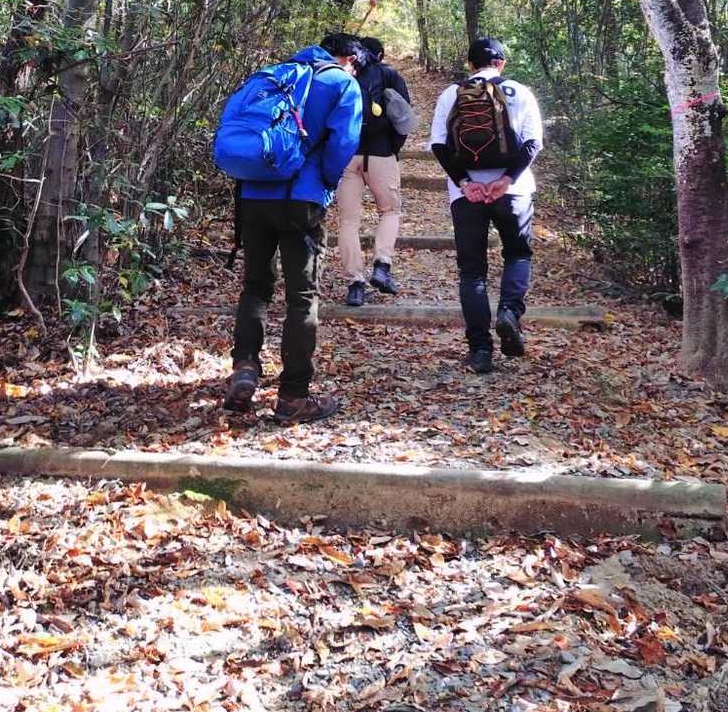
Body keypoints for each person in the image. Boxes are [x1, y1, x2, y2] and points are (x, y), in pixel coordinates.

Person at [223, 33, 363, 422]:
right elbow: (344, 143)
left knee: (255, 286)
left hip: (252, 195)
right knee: (302, 296)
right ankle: (293, 397)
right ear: (348, 59)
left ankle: (245, 368)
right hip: (302, 199)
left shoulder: (272, 75)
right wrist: (326, 183)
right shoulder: (340, 82)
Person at [429, 37, 543, 374]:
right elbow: (533, 143)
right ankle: (509, 312)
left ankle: (480, 350)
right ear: (501, 63)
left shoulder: (452, 94)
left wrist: (465, 183)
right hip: (515, 191)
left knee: (472, 271)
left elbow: (438, 145)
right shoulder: (520, 91)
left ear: (470, 64)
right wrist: (506, 180)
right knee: (518, 254)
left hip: (467, 196)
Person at [336, 35, 414, 306]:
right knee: (390, 211)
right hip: (381, 153)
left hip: (348, 155)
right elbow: (404, 118)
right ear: (379, 56)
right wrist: (392, 148)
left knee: (348, 221)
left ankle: (355, 283)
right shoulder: (389, 75)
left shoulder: (343, 74)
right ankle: (382, 265)